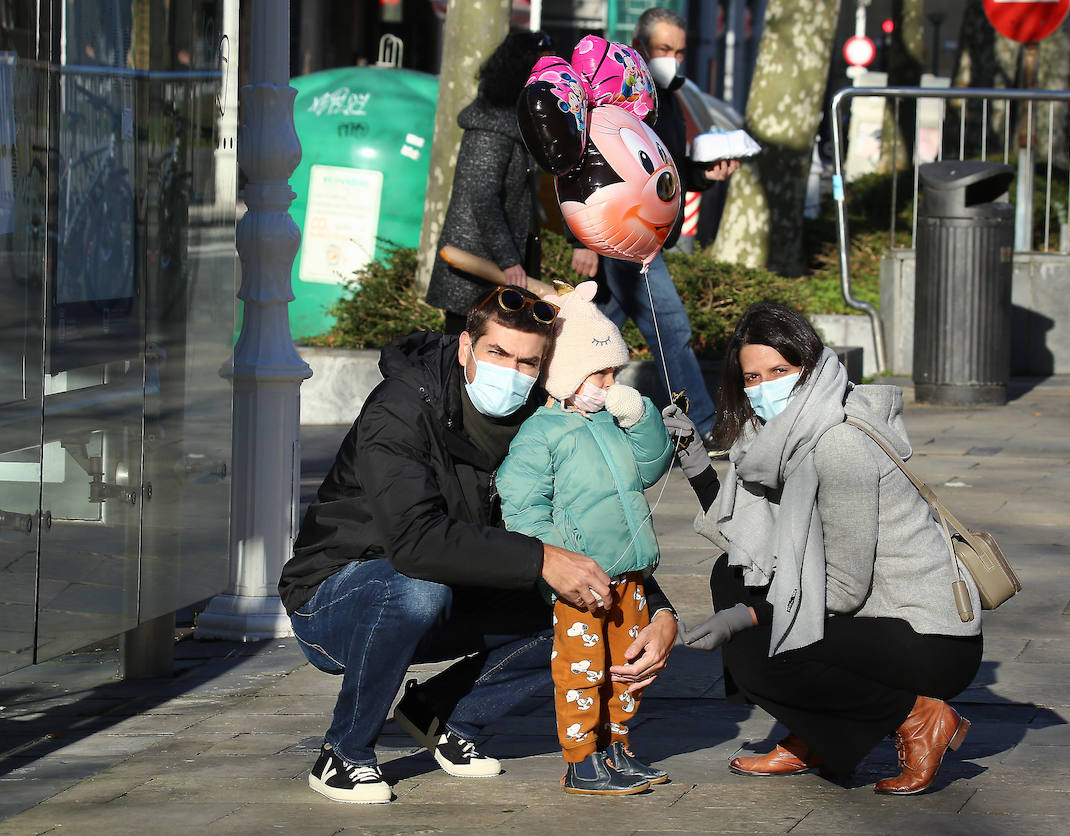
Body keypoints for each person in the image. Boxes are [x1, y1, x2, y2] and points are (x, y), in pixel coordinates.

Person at [279, 284, 679, 804]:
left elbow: (596, 523)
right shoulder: (401, 407)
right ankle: (344, 753)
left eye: (528, 362)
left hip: (454, 581)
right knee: (415, 590)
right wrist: (541, 558)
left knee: (577, 606)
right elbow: (414, 542)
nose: (512, 373)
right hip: (336, 595)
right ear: (467, 346)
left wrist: (657, 609)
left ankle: (440, 713)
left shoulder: (543, 418)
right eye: (497, 353)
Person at [663, 303, 983, 794]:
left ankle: (919, 716)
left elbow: (845, 590)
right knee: (731, 575)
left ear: (810, 368)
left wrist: (746, 617)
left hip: (927, 638)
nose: (765, 386)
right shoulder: (779, 437)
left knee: (758, 649)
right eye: (752, 377)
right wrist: (695, 461)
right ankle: (818, 732)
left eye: (780, 370)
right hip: (874, 621)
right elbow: (751, 540)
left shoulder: (836, 443)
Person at [495, 281, 675, 796]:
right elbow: (524, 506)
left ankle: (617, 746)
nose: (609, 382)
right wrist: (562, 558)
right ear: (567, 374)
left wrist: (640, 418)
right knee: (582, 672)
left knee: (627, 669)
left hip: (630, 577)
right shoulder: (542, 432)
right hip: (581, 581)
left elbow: (649, 466)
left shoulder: (613, 424)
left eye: (615, 372)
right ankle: (582, 759)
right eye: (600, 372)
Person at [571, 7, 737, 439]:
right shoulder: (613, 94)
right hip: (629, 235)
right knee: (671, 329)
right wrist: (586, 238)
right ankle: (700, 425)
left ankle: (557, 407)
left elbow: (668, 169)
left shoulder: (670, 97)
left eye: (680, 51)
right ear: (640, 45)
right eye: (664, 48)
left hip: (648, 235)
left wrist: (704, 176)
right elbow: (592, 170)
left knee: (599, 329)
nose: (673, 59)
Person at [427, 31, 552, 334]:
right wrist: (510, 261)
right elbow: (482, 196)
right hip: (476, 271)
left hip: (495, 270)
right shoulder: (491, 126)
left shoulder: (514, 124)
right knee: (464, 360)